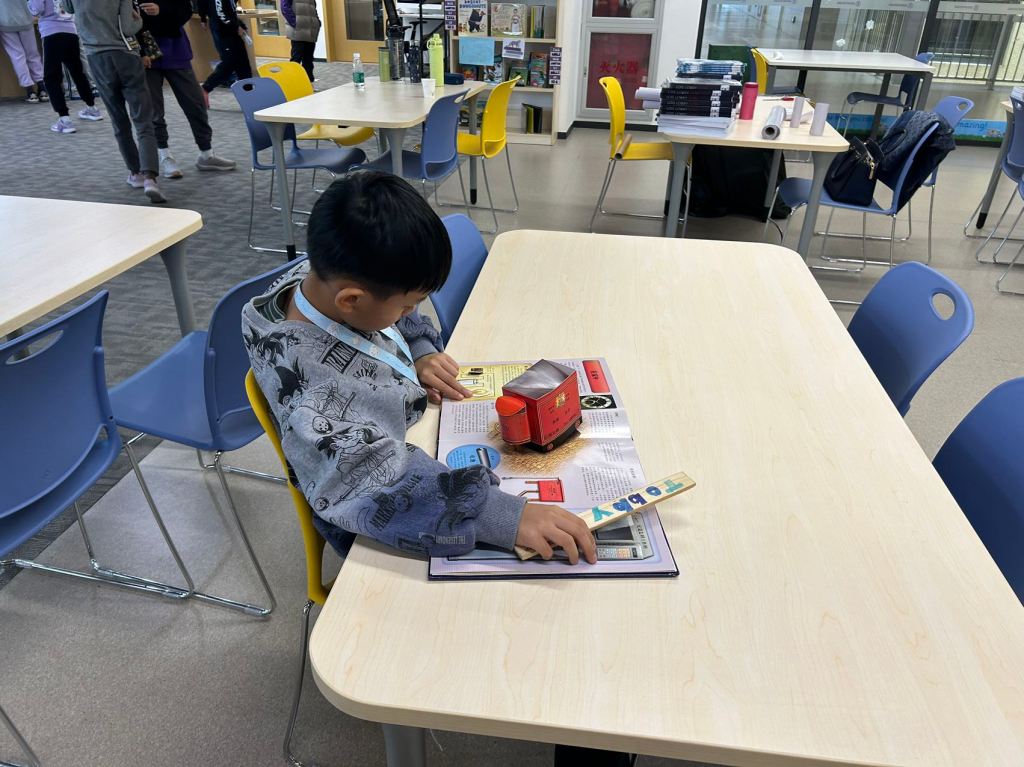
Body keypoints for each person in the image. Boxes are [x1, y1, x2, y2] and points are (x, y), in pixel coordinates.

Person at [243, 170, 598, 565]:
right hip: (381, 506)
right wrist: (504, 515)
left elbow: (392, 308)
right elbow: (370, 477)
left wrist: (420, 349)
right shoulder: (313, 395)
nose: (411, 312)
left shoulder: (326, 278)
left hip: (410, 428)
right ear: (351, 301)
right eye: (407, 305)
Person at [64, 0, 166, 202]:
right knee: (143, 120)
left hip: (96, 58)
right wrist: (138, 20)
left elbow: (68, 8)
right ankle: (150, 178)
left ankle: (135, 173)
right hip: (125, 55)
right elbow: (128, 28)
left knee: (118, 120)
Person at [137, 0, 234, 177]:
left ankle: (206, 153)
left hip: (175, 47)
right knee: (154, 110)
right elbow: (128, 19)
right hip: (145, 51)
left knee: (195, 103)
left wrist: (161, 10)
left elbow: (185, 11)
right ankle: (165, 156)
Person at [26, 0, 103, 133]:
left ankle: (64, 119)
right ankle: (92, 107)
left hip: (51, 32)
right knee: (77, 72)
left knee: (52, 77)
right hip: (71, 30)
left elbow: (36, 9)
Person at [198, 0, 249, 100]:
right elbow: (220, 14)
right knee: (229, 63)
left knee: (243, 63)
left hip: (231, 29)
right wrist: (236, 26)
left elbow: (230, 10)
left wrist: (240, 25)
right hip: (223, 31)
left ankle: (248, 93)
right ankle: (206, 87)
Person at [0, 0, 46, 102]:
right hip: (25, 20)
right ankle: (42, 87)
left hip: (5, 21)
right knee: (33, 54)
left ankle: (30, 91)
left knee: (17, 56)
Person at [280, 0, 318, 82]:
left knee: (309, 59)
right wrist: (295, 23)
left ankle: (308, 82)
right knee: (296, 58)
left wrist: (317, 22)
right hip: (298, 29)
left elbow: (313, 8)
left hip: (311, 29)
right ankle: (294, 82)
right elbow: (285, 8)